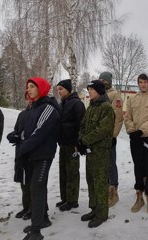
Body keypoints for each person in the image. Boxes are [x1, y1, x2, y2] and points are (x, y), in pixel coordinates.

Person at [20, 77, 60, 240]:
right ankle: (43, 219)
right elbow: (27, 131)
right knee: (37, 187)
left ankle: (36, 231)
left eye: (32, 86)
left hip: (43, 155)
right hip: (32, 154)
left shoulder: (48, 108)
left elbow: (39, 133)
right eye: (27, 87)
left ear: (41, 88)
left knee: (37, 187)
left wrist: (23, 147)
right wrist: (19, 136)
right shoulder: (33, 108)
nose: (28, 89)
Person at [124, 73, 148, 214]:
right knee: (138, 167)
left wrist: (141, 131)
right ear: (138, 83)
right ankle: (139, 198)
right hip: (135, 139)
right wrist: (132, 131)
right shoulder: (133, 98)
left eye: (145, 82)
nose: (143, 84)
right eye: (141, 82)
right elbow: (127, 117)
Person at [78, 80, 114, 228]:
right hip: (90, 151)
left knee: (100, 182)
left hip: (101, 152)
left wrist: (85, 140)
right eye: (88, 90)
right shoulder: (91, 107)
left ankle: (102, 213)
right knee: (91, 180)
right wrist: (80, 141)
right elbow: (83, 126)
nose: (89, 92)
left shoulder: (106, 108)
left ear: (99, 91)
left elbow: (102, 130)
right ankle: (94, 209)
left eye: (91, 89)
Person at [56, 79, 86, 211]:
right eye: (58, 89)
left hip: (72, 145)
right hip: (63, 143)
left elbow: (82, 125)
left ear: (68, 89)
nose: (59, 91)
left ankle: (73, 200)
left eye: (61, 89)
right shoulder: (62, 104)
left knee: (72, 172)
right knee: (63, 171)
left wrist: (78, 143)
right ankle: (65, 198)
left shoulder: (77, 104)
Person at [98, 71, 123, 207]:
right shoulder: (98, 94)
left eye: (105, 80)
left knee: (110, 163)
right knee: (102, 164)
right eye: (101, 80)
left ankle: (113, 192)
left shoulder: (115, 95)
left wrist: (113, 135)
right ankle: (104, 190)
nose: (103, 82)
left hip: (109, 136)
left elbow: (118, 117)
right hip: (99, 137)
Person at [7, 94, 32, 220]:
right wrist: (13, 135)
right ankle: (26, 206)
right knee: (23, 180)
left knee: (32, 181)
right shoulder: (22, 114)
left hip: (32, 153)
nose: (30, 99)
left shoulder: (39, 112)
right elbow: (17, 130)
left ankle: (34, 208)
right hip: (21, 152)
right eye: (27, 97)